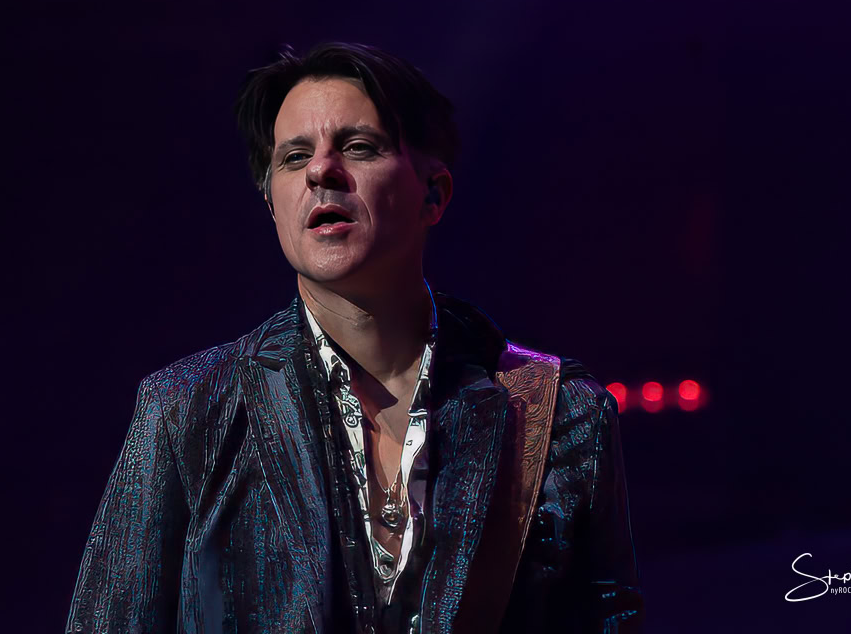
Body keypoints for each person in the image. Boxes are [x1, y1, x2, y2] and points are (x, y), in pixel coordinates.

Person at [65, 42, 643, 633]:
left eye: (359, 147)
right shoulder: (188, 410)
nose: (321, 171)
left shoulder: (560, 413)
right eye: (294, 157)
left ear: (434, 193)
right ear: (271, 204)